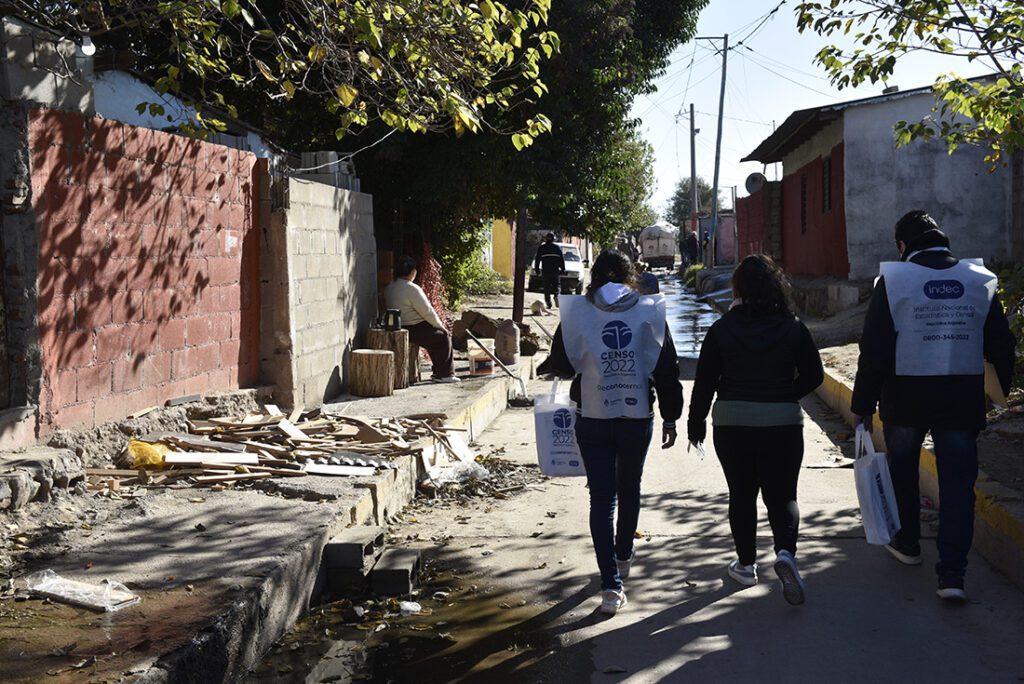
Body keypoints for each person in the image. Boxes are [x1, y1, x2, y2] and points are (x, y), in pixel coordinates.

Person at [851, 210, 1016, 603]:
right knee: (958, 485)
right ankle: (952, 575)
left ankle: (908, 544)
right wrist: (997, 395)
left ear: (903, 246)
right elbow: (1001, 346)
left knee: (903, 472)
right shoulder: (979, 280)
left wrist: (861, 404)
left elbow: (873, 351)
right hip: (960, 400)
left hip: (905, 400)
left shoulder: (893, 280)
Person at [538, 250, 683, 616]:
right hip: (637, 416)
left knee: (602, 499)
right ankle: (622, 558)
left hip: (593, 416)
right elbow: (666, 367)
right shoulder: (650, 310)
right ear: (629, 275)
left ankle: (610, 586)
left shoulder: (576, 313)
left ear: (595, 277)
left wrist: (591, 363)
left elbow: (558, 362)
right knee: (630, 487)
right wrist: (671, 416)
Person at [687, 254, 823, 606]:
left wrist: (695, 423)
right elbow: (815, 376)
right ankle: (786, 554)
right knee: (783, 496)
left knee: (742, 494)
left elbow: (704, 382)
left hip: (732, 423)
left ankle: (746, 565)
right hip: (782, 423)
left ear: (738, 289)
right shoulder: (793, 326)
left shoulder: (721, 329)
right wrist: (784, 395)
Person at [384, 256, 460, 384]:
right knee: (443, 337)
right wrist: (440, 326)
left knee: (434, 337)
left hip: (398, 325)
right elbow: (427, 311)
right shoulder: (412, 288)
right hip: (413, 327)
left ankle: (438, 372)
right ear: (413, 272)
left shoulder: (390, 287)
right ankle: (445, 374)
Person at [533, 233, 565, 309]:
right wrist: (563, 269)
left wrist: (537, 270)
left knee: (546, 288)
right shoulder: (557, 248)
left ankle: (548, 303)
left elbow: (537, 259)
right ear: (553, 239)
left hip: (545, 271)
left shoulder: (542, 248)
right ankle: (557, 296)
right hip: (555, 271)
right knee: (557, 286)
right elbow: (561, 260)